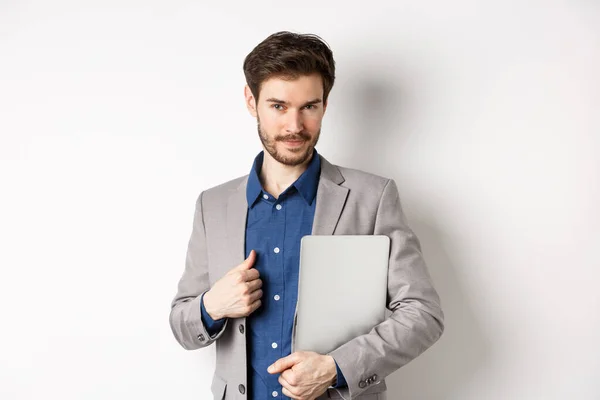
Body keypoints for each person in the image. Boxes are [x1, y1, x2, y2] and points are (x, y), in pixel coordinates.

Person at [169, 31, 444, 400]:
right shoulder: (212, 206)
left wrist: (336, 368)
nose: (295, 126)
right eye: (279, 106)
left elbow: (422, 314)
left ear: (325, 105)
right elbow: (182, 325)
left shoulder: (373, 197)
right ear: (252, 101)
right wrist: (211, 306)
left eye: (309, 107)